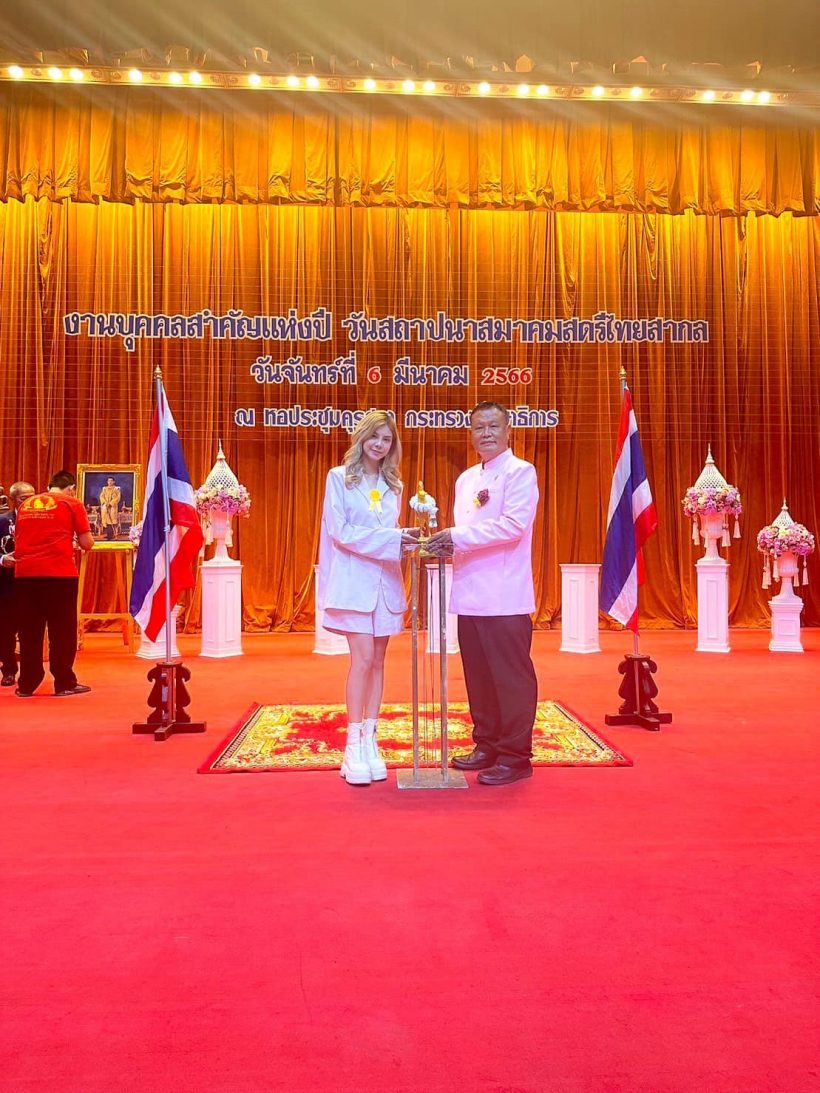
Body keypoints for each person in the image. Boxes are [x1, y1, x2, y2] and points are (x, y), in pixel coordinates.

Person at [426, 402, 539, 785]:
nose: (486, 433)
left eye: (493, 426)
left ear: (508, 430)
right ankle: (487, 743)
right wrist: (447, 544)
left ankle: (515, 755)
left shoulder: (520, 472)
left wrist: (454, 538)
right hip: (470, 592)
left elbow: (512, 526)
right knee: (479, 677)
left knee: (510, 678)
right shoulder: (466, 479)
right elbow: (468, 531)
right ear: (470, 434)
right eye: (478, 428)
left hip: (505, 595)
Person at [317, 411, 420, 785]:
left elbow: (387, 530)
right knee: (360, 659)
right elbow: (341, 531)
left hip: (385, 584)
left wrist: (403, 538)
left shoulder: (394, 485)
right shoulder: (339, 478)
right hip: (353, 583)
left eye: (387, 439)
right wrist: (392, 540)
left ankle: (372, 739)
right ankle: (353, 743)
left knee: (378, 660)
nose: (379, 444)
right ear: (361, 438)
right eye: (374, 437)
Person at [12, 470, 94, 697]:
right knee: (62, 630)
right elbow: (87, 543)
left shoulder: (26, 505)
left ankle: (27, 683)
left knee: (29, 631)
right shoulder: (72, 503)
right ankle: (64, 681)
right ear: (71, 488)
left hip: (25, 574)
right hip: (59, 573)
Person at [0, 481, 36, 686]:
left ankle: (30, 673)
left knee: (31, 630)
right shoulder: (2, 521)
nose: (30, 501)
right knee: (5, 629)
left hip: (33, 581)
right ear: (13, 500)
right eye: (24, 498)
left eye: (33, 496)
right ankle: (9, 670)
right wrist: (2, 559)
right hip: (6, 583)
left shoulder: (43, 520)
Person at [99, 477, 121, 541]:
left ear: (114, 482)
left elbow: (118, 498)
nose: (110, 482)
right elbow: (101, 496)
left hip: (112, 507)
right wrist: (105, 503)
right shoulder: (104, 489)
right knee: (106, 521)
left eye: (111, 481)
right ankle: (108, 535)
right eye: (109, 481)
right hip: (105, 507)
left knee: (112, 521)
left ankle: (112, 535)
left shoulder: (116, 489)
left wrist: (111, 503)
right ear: (107, 482)